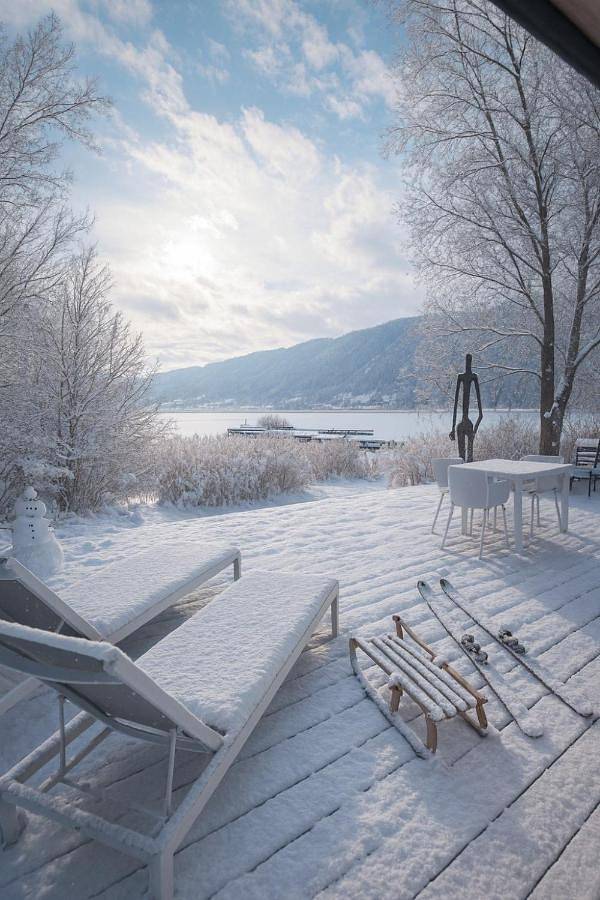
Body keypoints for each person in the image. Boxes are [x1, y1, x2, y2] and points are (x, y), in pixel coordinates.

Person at [449, 353, 483, 462]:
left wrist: (475, 430)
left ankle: (469, 474)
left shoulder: (474, 377)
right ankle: (462, 474)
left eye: (469, 360)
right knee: (461, 457)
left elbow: (481, 414)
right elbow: (455, 405)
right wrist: (453, 428)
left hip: (468, 424)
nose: (468, 363)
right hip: (462, 425)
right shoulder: (461, 377)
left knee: (470, 458)